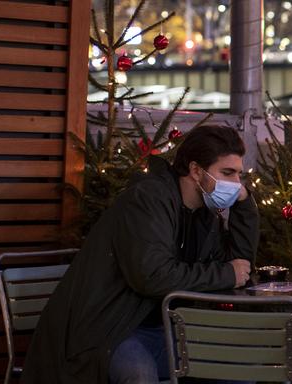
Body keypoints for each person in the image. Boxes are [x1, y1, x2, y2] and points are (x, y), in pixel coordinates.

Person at [23, 125, 260, 384]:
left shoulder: (203, 214)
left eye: (239, 175)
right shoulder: (149, 199)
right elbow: (152, 276)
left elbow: (239, 266)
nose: (236, 184)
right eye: (227, 173)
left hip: (165, 328)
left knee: (239, 366)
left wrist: (244, 204)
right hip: (110, 329)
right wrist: (227, 273)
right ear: (195, 170)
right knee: (138, 373)